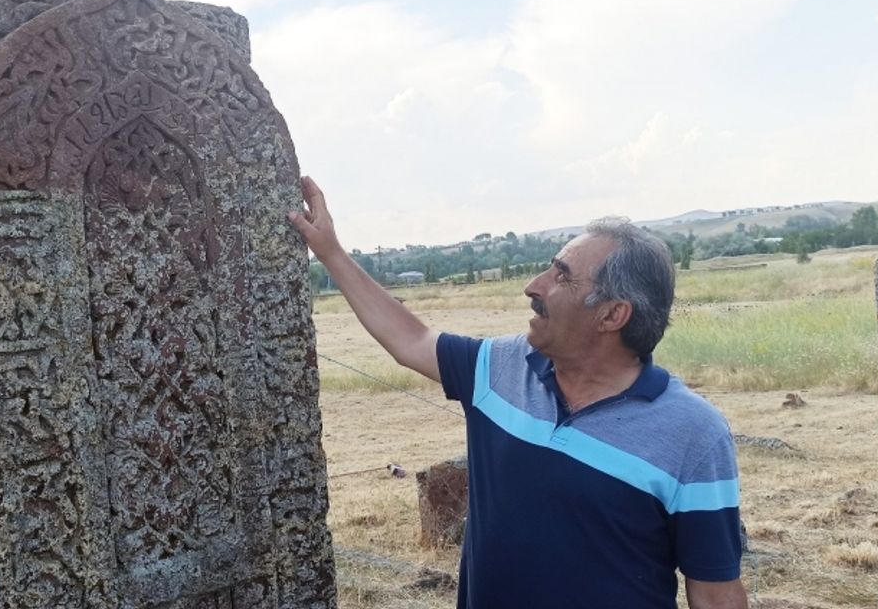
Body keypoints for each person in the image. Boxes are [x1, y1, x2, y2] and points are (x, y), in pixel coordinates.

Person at [288, 176, 748, 609]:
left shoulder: (693, 434)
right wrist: (330, 252)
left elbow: (714, 592)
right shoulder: (501, 366)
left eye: (562, 276)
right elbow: (410, 340)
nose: (534, 287)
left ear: (612, 315)